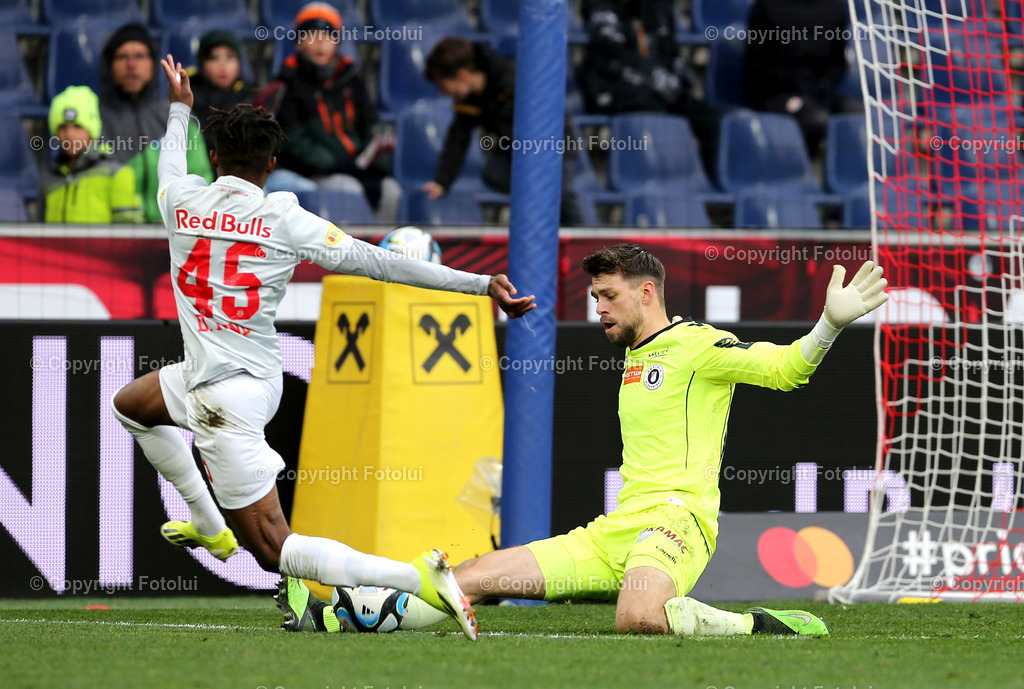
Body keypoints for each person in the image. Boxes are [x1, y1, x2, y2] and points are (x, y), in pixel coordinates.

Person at [110, 53, 536, 641]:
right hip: (248, 379)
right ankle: (211, 524)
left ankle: (419, 576)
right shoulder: (285, 216)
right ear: (272, 165)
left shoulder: (180, 202)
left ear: (215, 161)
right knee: (132, 404)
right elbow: (382, 262)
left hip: (220, 399)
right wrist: (480, 285)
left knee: (274, 552)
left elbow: (169, 160)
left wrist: (180, 108)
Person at [305, 244, 888, 636]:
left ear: (647, 294)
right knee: (469, 578)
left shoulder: (698, 346)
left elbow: (787, 369)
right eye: (595, 298)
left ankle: (761, 625)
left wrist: (830, 325)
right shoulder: (634, 357)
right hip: (614, 531)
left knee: (635, 618)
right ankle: (343, 617)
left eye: (608, 297)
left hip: (677, 522)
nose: (599, 308)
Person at [257, 3, 399, 223]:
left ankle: (380, 252)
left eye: (328, 36)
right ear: (298, 43)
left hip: (356, 169)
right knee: (346, 189)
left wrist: (374, 167)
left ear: (337, 42)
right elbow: (294, 141)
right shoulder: (287, 84)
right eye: (311, 36)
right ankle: (346, 254)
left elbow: (372, 124)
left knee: (391, 191)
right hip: (314, 173)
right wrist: (336, 164)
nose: (320, 42)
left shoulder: (353, 79)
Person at [423, 37, 584, 227]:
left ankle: (580, 243)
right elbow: (458, 139)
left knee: (561, 195)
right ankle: (538, 209)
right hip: (514, 148)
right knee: (494, 175)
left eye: (443, 85)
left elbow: (546, 116)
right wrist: (443, 181)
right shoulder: (469, 99)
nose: (443, 93)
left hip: (552, 144)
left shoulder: (513, 79)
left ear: (463, 75)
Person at [579, 0, 724, 176]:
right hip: (619, 89)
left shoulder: (659, 7)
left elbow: (670, 54)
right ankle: (663, 183)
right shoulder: (603, 5)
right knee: (660, 121)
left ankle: (708, 190)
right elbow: (609, 48)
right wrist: (655, 79)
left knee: (717, 120)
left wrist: (678, 80)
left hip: (663, 91)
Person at [99, 22, 214, 222]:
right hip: (114, 234)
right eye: (122, 57)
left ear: (153, 63)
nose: (131, 64)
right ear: (110, 65)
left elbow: (200, 179)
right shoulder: (92, 118)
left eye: (140, 56)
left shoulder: (178, 114)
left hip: (172, 230)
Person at [744, 0, 862, 154]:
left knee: (858, 115)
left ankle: (851, 175)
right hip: (778, 92)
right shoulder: (767, 6)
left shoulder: (834, 6)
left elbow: (838, 62)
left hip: (821, 92)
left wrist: (821, 91)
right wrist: (795, 95)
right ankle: (802, 171)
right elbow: (757, 65)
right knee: (816, 119)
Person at [41, 85, 143, 223]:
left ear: (92, 129)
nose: (69, 134)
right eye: (62, 127)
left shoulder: (117, 174)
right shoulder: (48, 179)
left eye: (77, 126)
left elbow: (130, 236)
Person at [187, 30, 259, 150]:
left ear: (239, 63)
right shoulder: (190, 96)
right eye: (214, 58)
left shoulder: (249, 93)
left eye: (229, 57)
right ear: (202, 64)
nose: (222, 66)